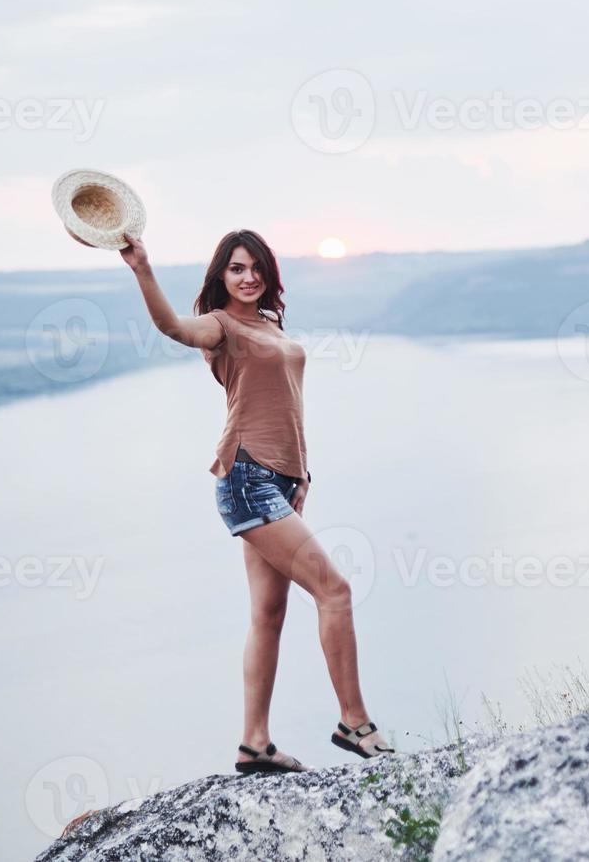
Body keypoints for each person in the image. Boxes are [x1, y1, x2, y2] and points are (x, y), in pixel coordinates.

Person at [120, 228, 394, 774]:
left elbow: (286, 406)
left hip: (281, 484)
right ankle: (354, 722)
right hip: (247, 480)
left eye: (256, 268)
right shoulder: (220, 327)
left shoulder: (268, 325)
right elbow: (171, 326)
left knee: (268, 614)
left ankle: (254, 743)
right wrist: (142, 268)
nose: (248, 277)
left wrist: (302, 473)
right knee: (334, 591)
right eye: (236, 269)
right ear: (221, 277)